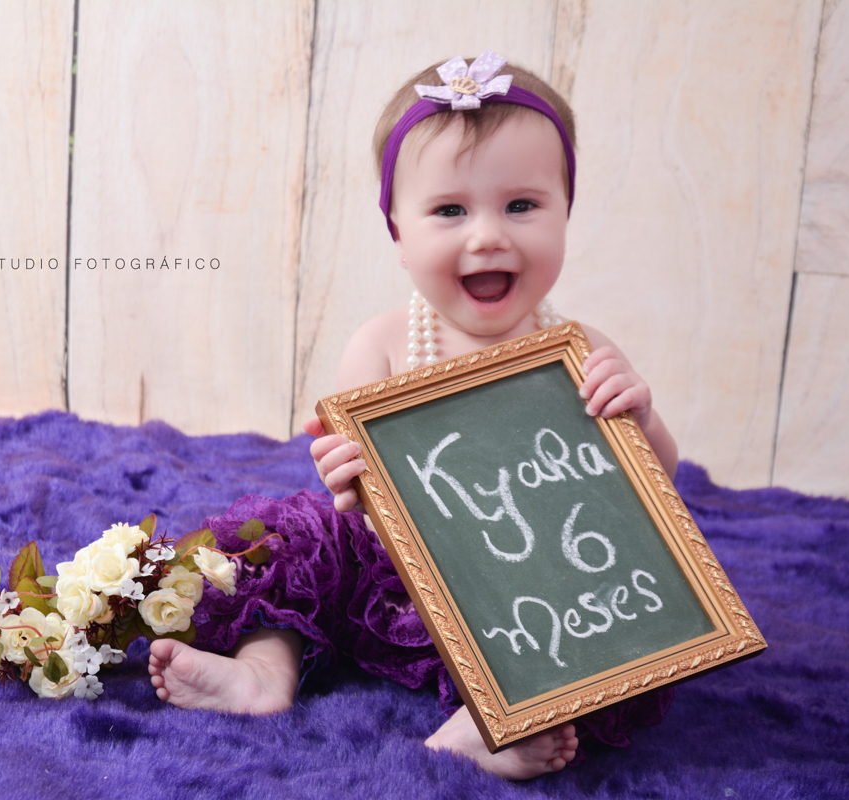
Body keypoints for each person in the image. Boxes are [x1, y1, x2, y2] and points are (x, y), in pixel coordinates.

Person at [148, 51, 677, 781]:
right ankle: (264, 671)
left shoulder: (582, 351)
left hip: (529, 592)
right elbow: (363, 505)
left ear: (565, 213)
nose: (487, 236)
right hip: (400, 582)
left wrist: (640, 419)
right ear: (398, 232)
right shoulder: (385, 345)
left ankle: (491, 726)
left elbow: (654, 492)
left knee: (620, 624)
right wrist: (348, 481)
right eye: (450, 211)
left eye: (522, 205)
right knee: (298, 543)